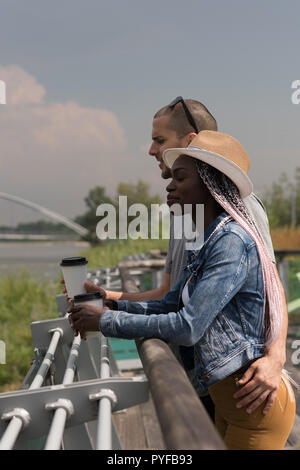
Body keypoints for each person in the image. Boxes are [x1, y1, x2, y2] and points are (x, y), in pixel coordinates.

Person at [69, 131, 295, 450]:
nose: (169, 185)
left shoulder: (231, 242)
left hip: (255, 412)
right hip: (229, 404)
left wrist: (104, 321)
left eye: (181, 177)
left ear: (210, 184)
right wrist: (110, 305)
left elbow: (187, 326)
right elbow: (168, 305)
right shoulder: (204, 241)